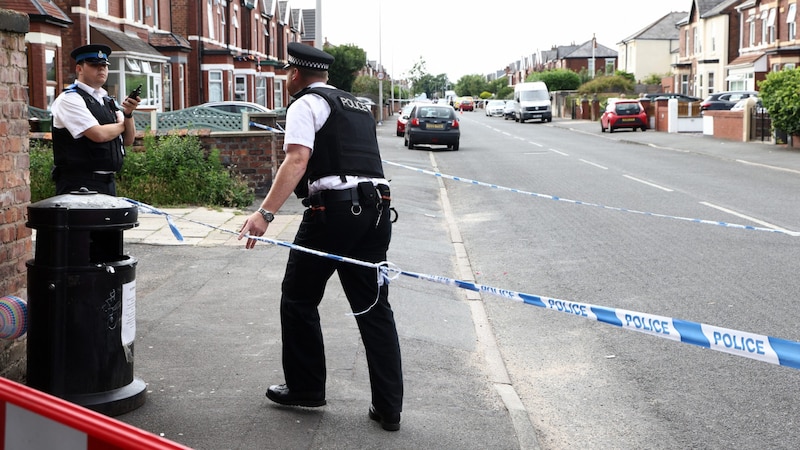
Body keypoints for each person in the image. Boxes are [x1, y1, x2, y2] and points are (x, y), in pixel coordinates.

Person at [237, 42, 403, 431]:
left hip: (335, 213)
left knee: (298, 296)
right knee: (374, 307)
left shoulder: (304, 104)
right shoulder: (358, 104)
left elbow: (297, 159)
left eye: (286, 74)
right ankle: (389, 408)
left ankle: (306, 387)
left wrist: (265, 213)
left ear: (295, 74)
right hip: (377, 210)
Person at [51, 44, 140, 196]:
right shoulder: (70, 99)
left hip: (107, 182)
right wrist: (122, 124)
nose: (101, 69)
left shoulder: (107, 100)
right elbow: (98, 134)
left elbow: (129, 140)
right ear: (79, 69)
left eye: (104, 65)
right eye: (94, 65)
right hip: (79, 184)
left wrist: (128, 114)